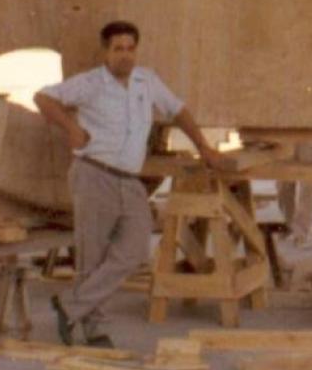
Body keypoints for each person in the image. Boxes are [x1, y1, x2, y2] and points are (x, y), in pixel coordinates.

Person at [35, 20, 233, 347]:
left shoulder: (147, 81)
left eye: (130, 49)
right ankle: (93, 328)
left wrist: (204, 147)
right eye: (118, 49)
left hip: (129, 180)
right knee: (92, 256)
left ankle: (70, 305)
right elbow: (43, 98)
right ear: (105, 52)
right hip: (94, 174)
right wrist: (70, 128)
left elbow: (177, 109)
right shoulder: (91, 83)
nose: (125, 56)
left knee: (136, 252)